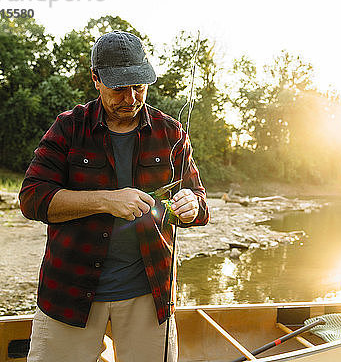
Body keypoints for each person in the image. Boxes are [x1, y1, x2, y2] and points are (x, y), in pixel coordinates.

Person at [19, 30, 209, 362]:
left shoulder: (172, 133)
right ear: (96, 78)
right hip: (70, 292)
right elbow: (33, 198)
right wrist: (107, 199)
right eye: (119, 89)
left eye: (139, 86)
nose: (132, 98)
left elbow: (198, 198)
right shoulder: (68, 128)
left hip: (150, 295)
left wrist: (192, 206)